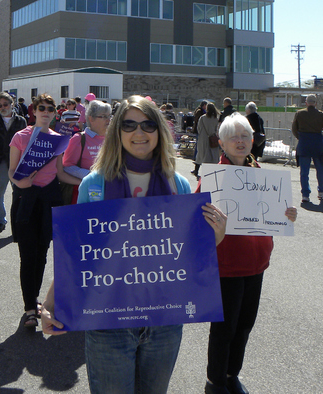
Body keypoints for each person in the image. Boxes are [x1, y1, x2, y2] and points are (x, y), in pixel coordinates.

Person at [42, 95, 227, 393]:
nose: (139, 133)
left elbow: (187, 254)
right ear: (117, 131)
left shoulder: (177, 184)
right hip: (107, 319)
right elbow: (77, 254)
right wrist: (50, 304)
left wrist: (213, 238)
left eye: (147, 124)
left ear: (159, 131)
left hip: (164, 321)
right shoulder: (94, 184)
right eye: (129, 125)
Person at [196, 113, 297, 394]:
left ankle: (231, 374)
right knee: (224, 329)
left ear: (252, 140)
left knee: (244, 327)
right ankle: (215, 381)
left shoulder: (260, 172)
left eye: (245, 136)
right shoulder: (214, 178)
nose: (240, 142)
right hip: (227, 265)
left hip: (257, 264)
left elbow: (277, 214)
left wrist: (287, 214)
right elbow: (196, 219)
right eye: (233, 137)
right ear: (222, 143)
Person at [8, 93, 79, 328]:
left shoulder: (59, 140)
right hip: (26, 198)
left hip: (50, 197)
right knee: (27, 255)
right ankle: (29, 308)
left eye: (50, 108)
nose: (46, 112)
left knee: (42, 253)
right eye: (42, 108)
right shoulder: (21, 137)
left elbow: (60, 173)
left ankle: (35, 299)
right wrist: (20, 183)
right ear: (34, 110)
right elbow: (11, 171)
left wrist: (89, 182)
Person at [0, 92, 27, 233]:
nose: (3, 107)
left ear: (12, 104)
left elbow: (25, 142)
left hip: (16, 162)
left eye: (5, 104)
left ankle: (18, 219)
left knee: (18, 192)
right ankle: (0, 220)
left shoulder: (21, 121)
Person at [61, 99, 111, 204]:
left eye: (109, 116)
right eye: (103, 116)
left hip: (109, 192)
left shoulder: (112, 139)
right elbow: (67, 166)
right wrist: (90, 175)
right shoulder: (79, 138)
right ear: (91, 119)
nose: (108, 120)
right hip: (84, 195)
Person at [291, 94, 323, 203]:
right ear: (315, 103)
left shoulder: (299, 114)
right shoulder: (320, 115)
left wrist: (300, 137)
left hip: (304, 144)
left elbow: (294, 128)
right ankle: (321, 192)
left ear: (306, 103)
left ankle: (305, 194)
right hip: (318, 144)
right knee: (320, 170)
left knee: (304, 171)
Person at [194, 103, 220, 178]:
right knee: (211, 156)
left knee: (200, 155)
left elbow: (199, 128)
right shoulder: (215, 118)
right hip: (212, 138)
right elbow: (216, 129)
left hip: (203, 138)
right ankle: (210, 172)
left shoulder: (202, 118)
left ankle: (196, 170)